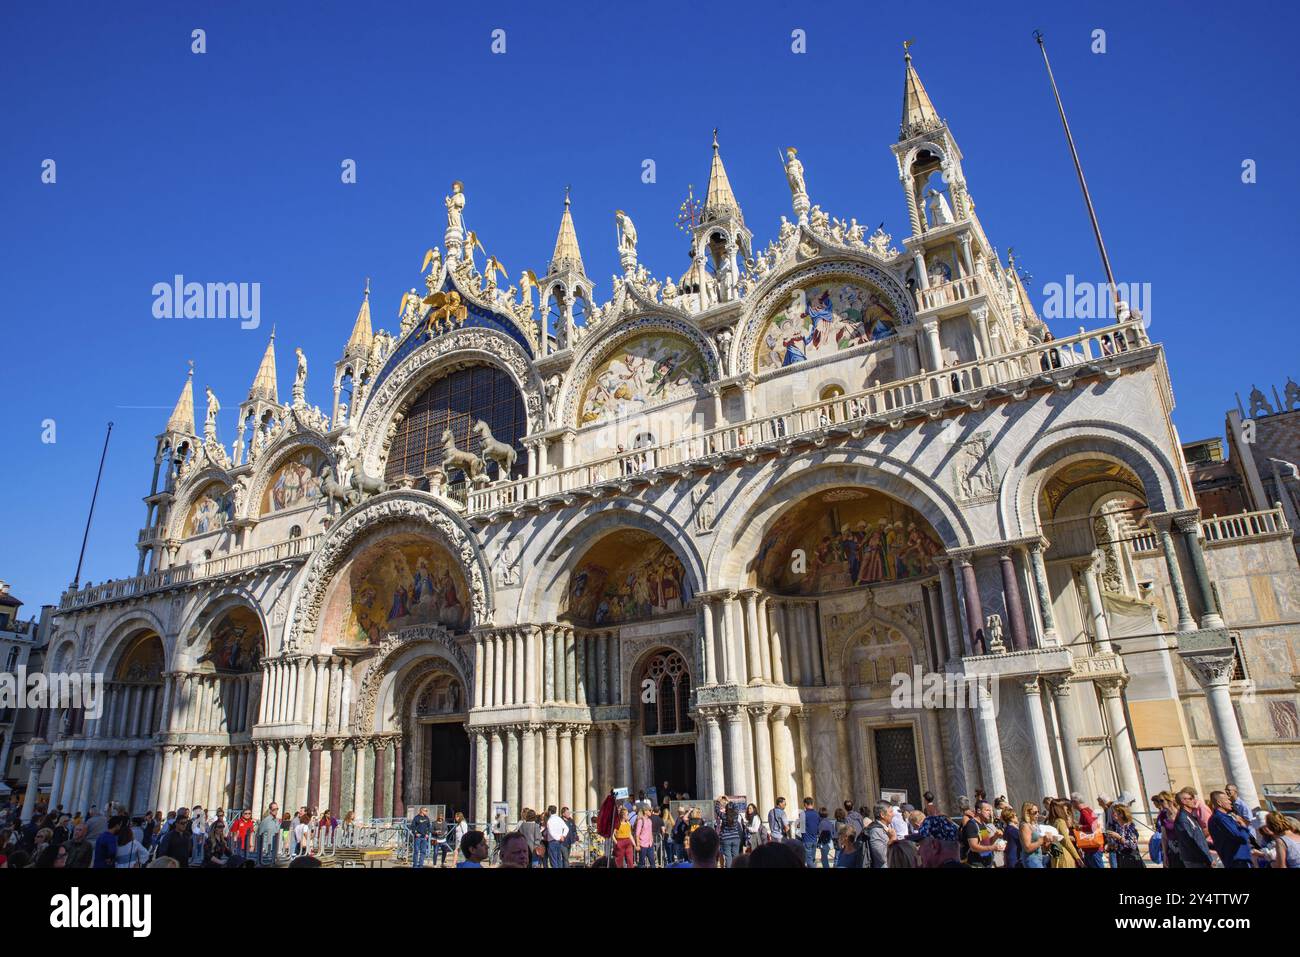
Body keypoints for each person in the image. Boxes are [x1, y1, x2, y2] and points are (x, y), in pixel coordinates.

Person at [1206, 790, 1254, 869]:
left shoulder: (1219, 818)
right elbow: (1241, 837)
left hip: (1235, 858)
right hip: (1237, 860)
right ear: (1219, 803)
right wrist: (1243, 826)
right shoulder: (1222, 819)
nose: (1230, 801)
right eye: (1226, 799)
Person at [1172, 787, 1213, 868]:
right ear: (1183, 801)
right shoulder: (1182, 819)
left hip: (1200, 857)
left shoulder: (1189, 816)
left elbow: (1199, 837)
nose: (1194, 800)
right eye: (1191, 798)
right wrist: (1206, 858)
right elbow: (1190, 841)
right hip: (1195, 860)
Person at [962, 801, 1001, 868]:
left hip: (986, 863)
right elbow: (973, 847)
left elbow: (986, 843)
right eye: (987, 810)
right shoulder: (971, 825)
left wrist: (996, 836)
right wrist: (992, 848)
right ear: (979, 810)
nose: (990, 813)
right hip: (977, 864)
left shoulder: (982, 824)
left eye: (990, 810)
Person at [1104, 803, 1144, 868]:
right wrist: (1111, 846)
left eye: (1114, 812)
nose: (1112, 814)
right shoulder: (1119, 827)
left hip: (1132, 860)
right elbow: (1121, 845)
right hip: (1123, 859)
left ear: (1121, 814)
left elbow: (1133, 845)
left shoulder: (1129, 827)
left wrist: (1118, 837)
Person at [1070, 793, 1104, 868]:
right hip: (1093, 847)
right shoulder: (1088, 810)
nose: (1071, 804)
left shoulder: (1084, 812)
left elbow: (1092, 827)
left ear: (1076, 802)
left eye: (1071, 801)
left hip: (1092, 848)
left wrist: (1080, 827)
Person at [1047, 800, 1083, 869]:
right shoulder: (1060, 821)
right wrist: (1077, 857)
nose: (1066, 812)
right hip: (1064, 854)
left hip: (1055, 853)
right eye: (1065, 809)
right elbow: (1066, 842)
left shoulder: (1051, 821)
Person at [1018, 803, 1054, 869]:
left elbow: (1038, 844)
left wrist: (1046, 843)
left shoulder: (1034, 825)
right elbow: (1027, 848)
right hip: (1031, 859)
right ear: (1027, 813)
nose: (1037, 814)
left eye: (1038, 812)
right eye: (1035, 812)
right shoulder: (1025, 826)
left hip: (1038, 857)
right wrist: (1042, 840)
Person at [864, 802, 893, 868]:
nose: (893, 814)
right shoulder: (875, 831)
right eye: (891, 812)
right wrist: (892, 839)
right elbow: (883, 857)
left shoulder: (886, 827)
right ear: (882, 815)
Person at [798, 798, 819, 867]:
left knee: (809, 861)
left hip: (807, 840)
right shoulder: (817, 814)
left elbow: (801, 828)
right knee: (812, 859)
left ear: (805, 804)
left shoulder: (803, 814)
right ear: (812, 804)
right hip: (815, 840)